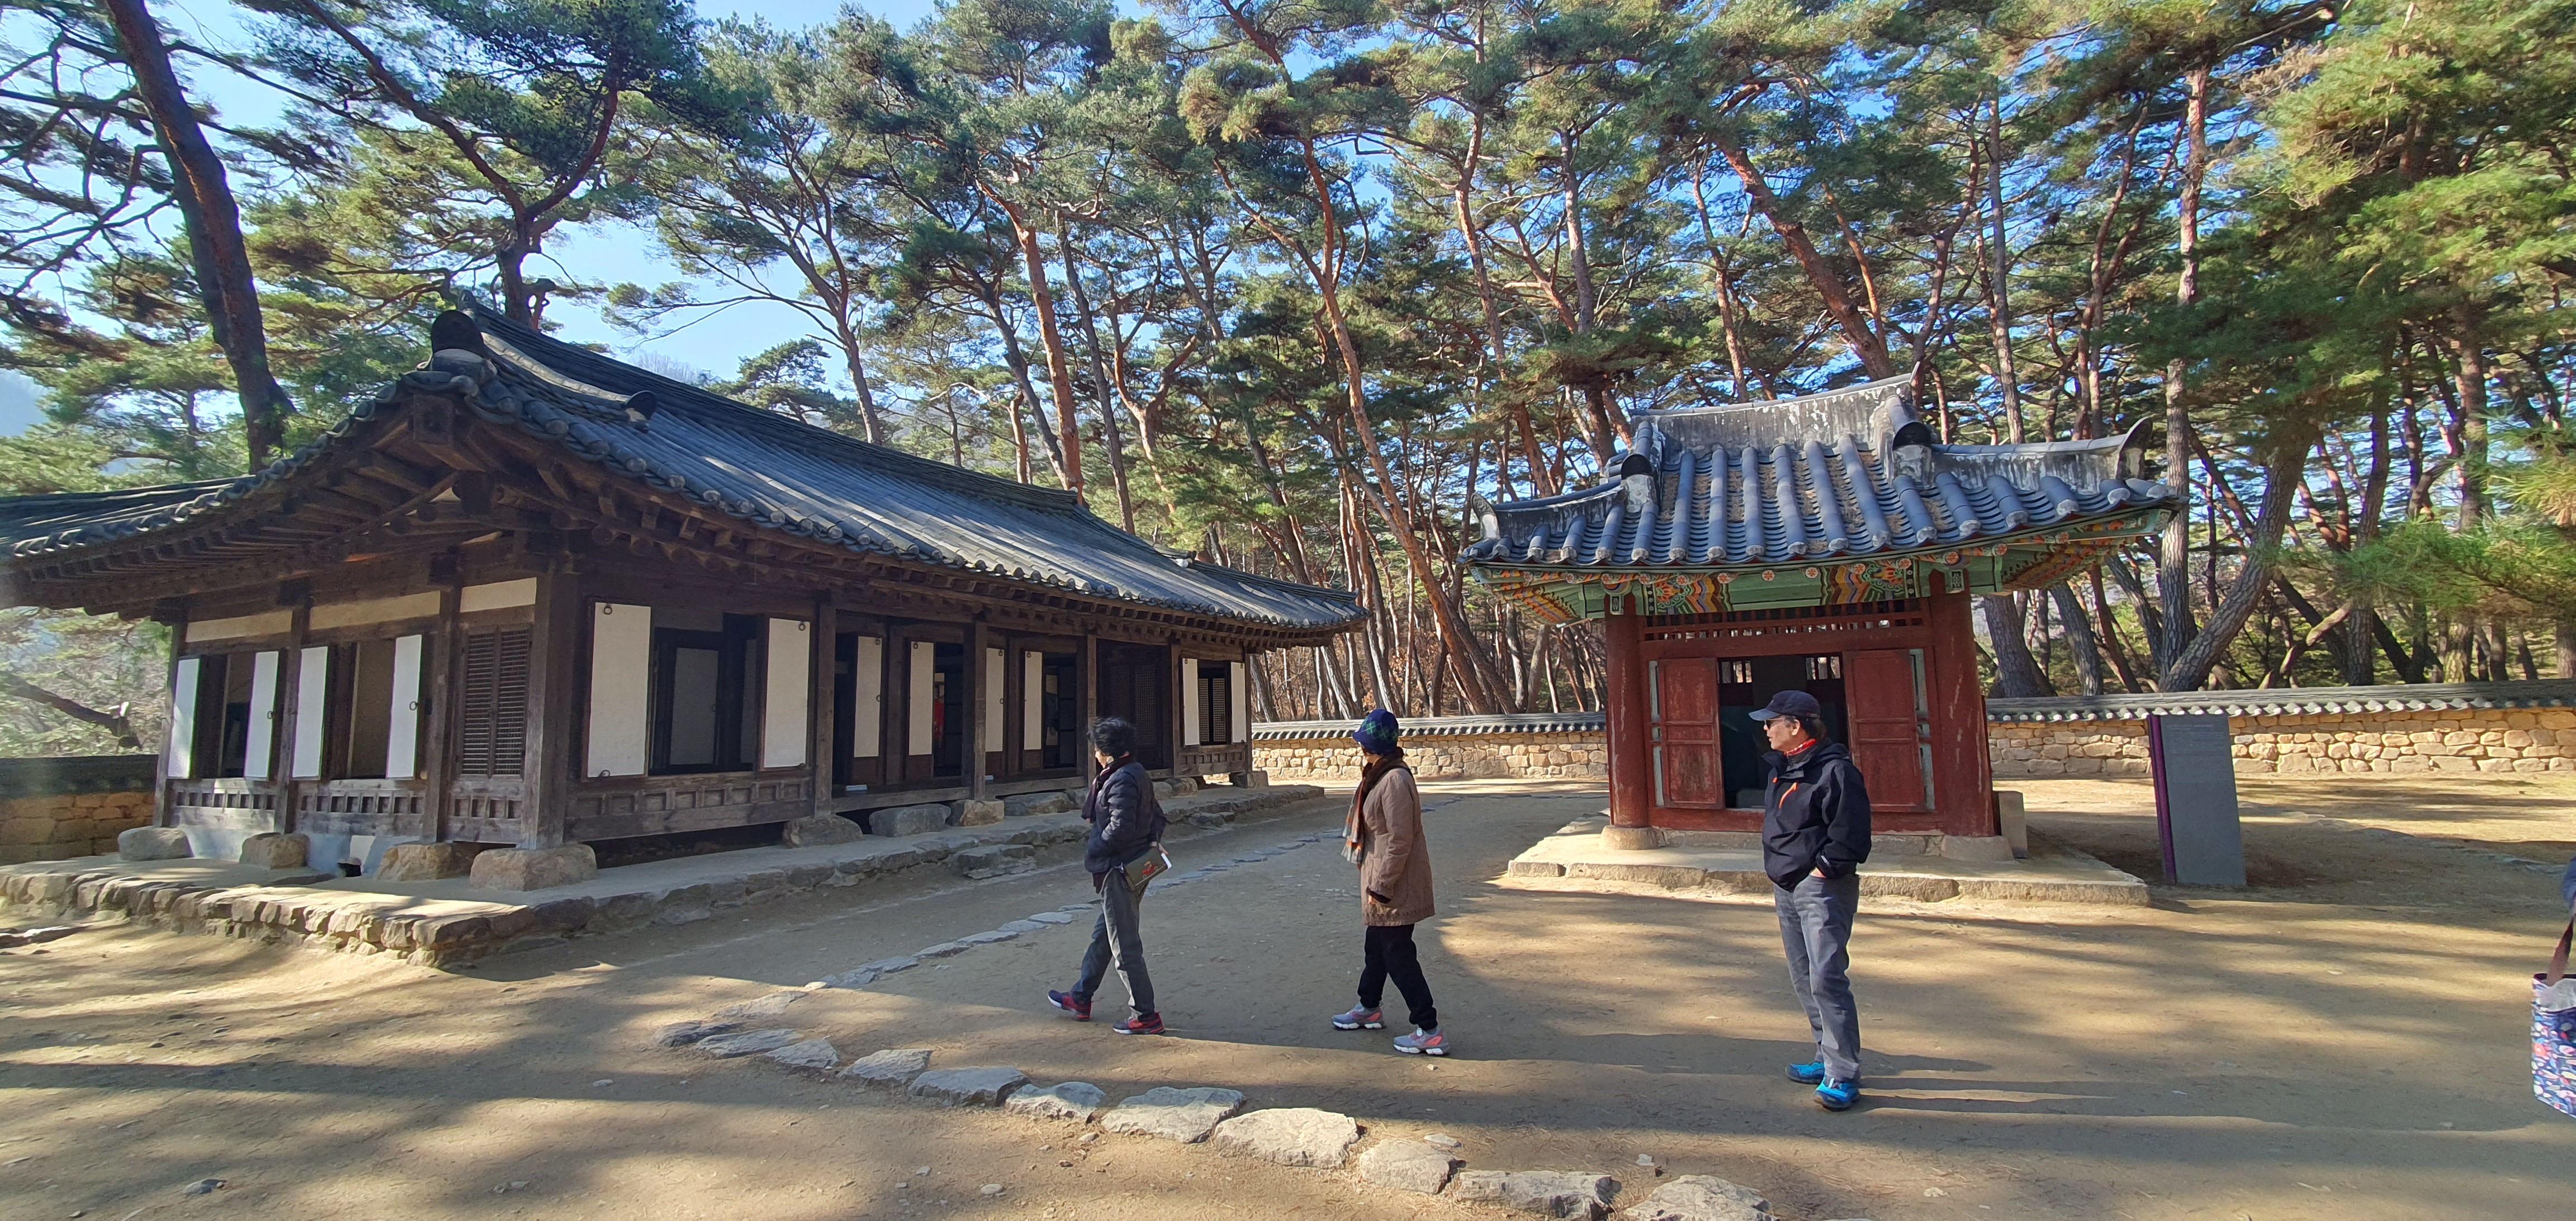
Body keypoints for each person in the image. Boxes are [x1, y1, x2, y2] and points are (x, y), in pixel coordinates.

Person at [1751, 689, 1872, 1111]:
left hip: (1821, 888)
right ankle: (1824, 1056)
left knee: (1827, 977)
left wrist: (1822, 869)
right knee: (1803, 976)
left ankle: (1843, 1072)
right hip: (1786, 886)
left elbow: (1850, 834)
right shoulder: (1781, 769)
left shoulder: (1836, 771)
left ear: (1796, 726)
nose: (1767, 730)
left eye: (1772, 723)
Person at [1328, 709, 1450, 1056]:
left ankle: (1429, 1028)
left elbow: (1400, 840)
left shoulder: (1394, 780)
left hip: (1395, 883)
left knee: (1398, 955)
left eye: (1365, 744)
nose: (1361, 750)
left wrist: (1381, 886)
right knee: (1376, 947)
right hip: (1382, 876)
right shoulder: (1379, 775)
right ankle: (1369, 1006)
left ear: (1375, 747)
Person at [1047, 717, 1167, 1035]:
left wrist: (1094, 848)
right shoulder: (1135, 773)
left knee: (1124, 946)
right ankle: (1081, 997)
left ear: (1108, 752)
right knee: (1104, 936)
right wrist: (1152, 842)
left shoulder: (1121, 779)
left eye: (1098, 750)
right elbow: (1156, 816)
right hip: (1136, 865)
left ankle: (1145, 1014)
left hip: (1119, 870)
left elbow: (1120, 829)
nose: (1096, 755)